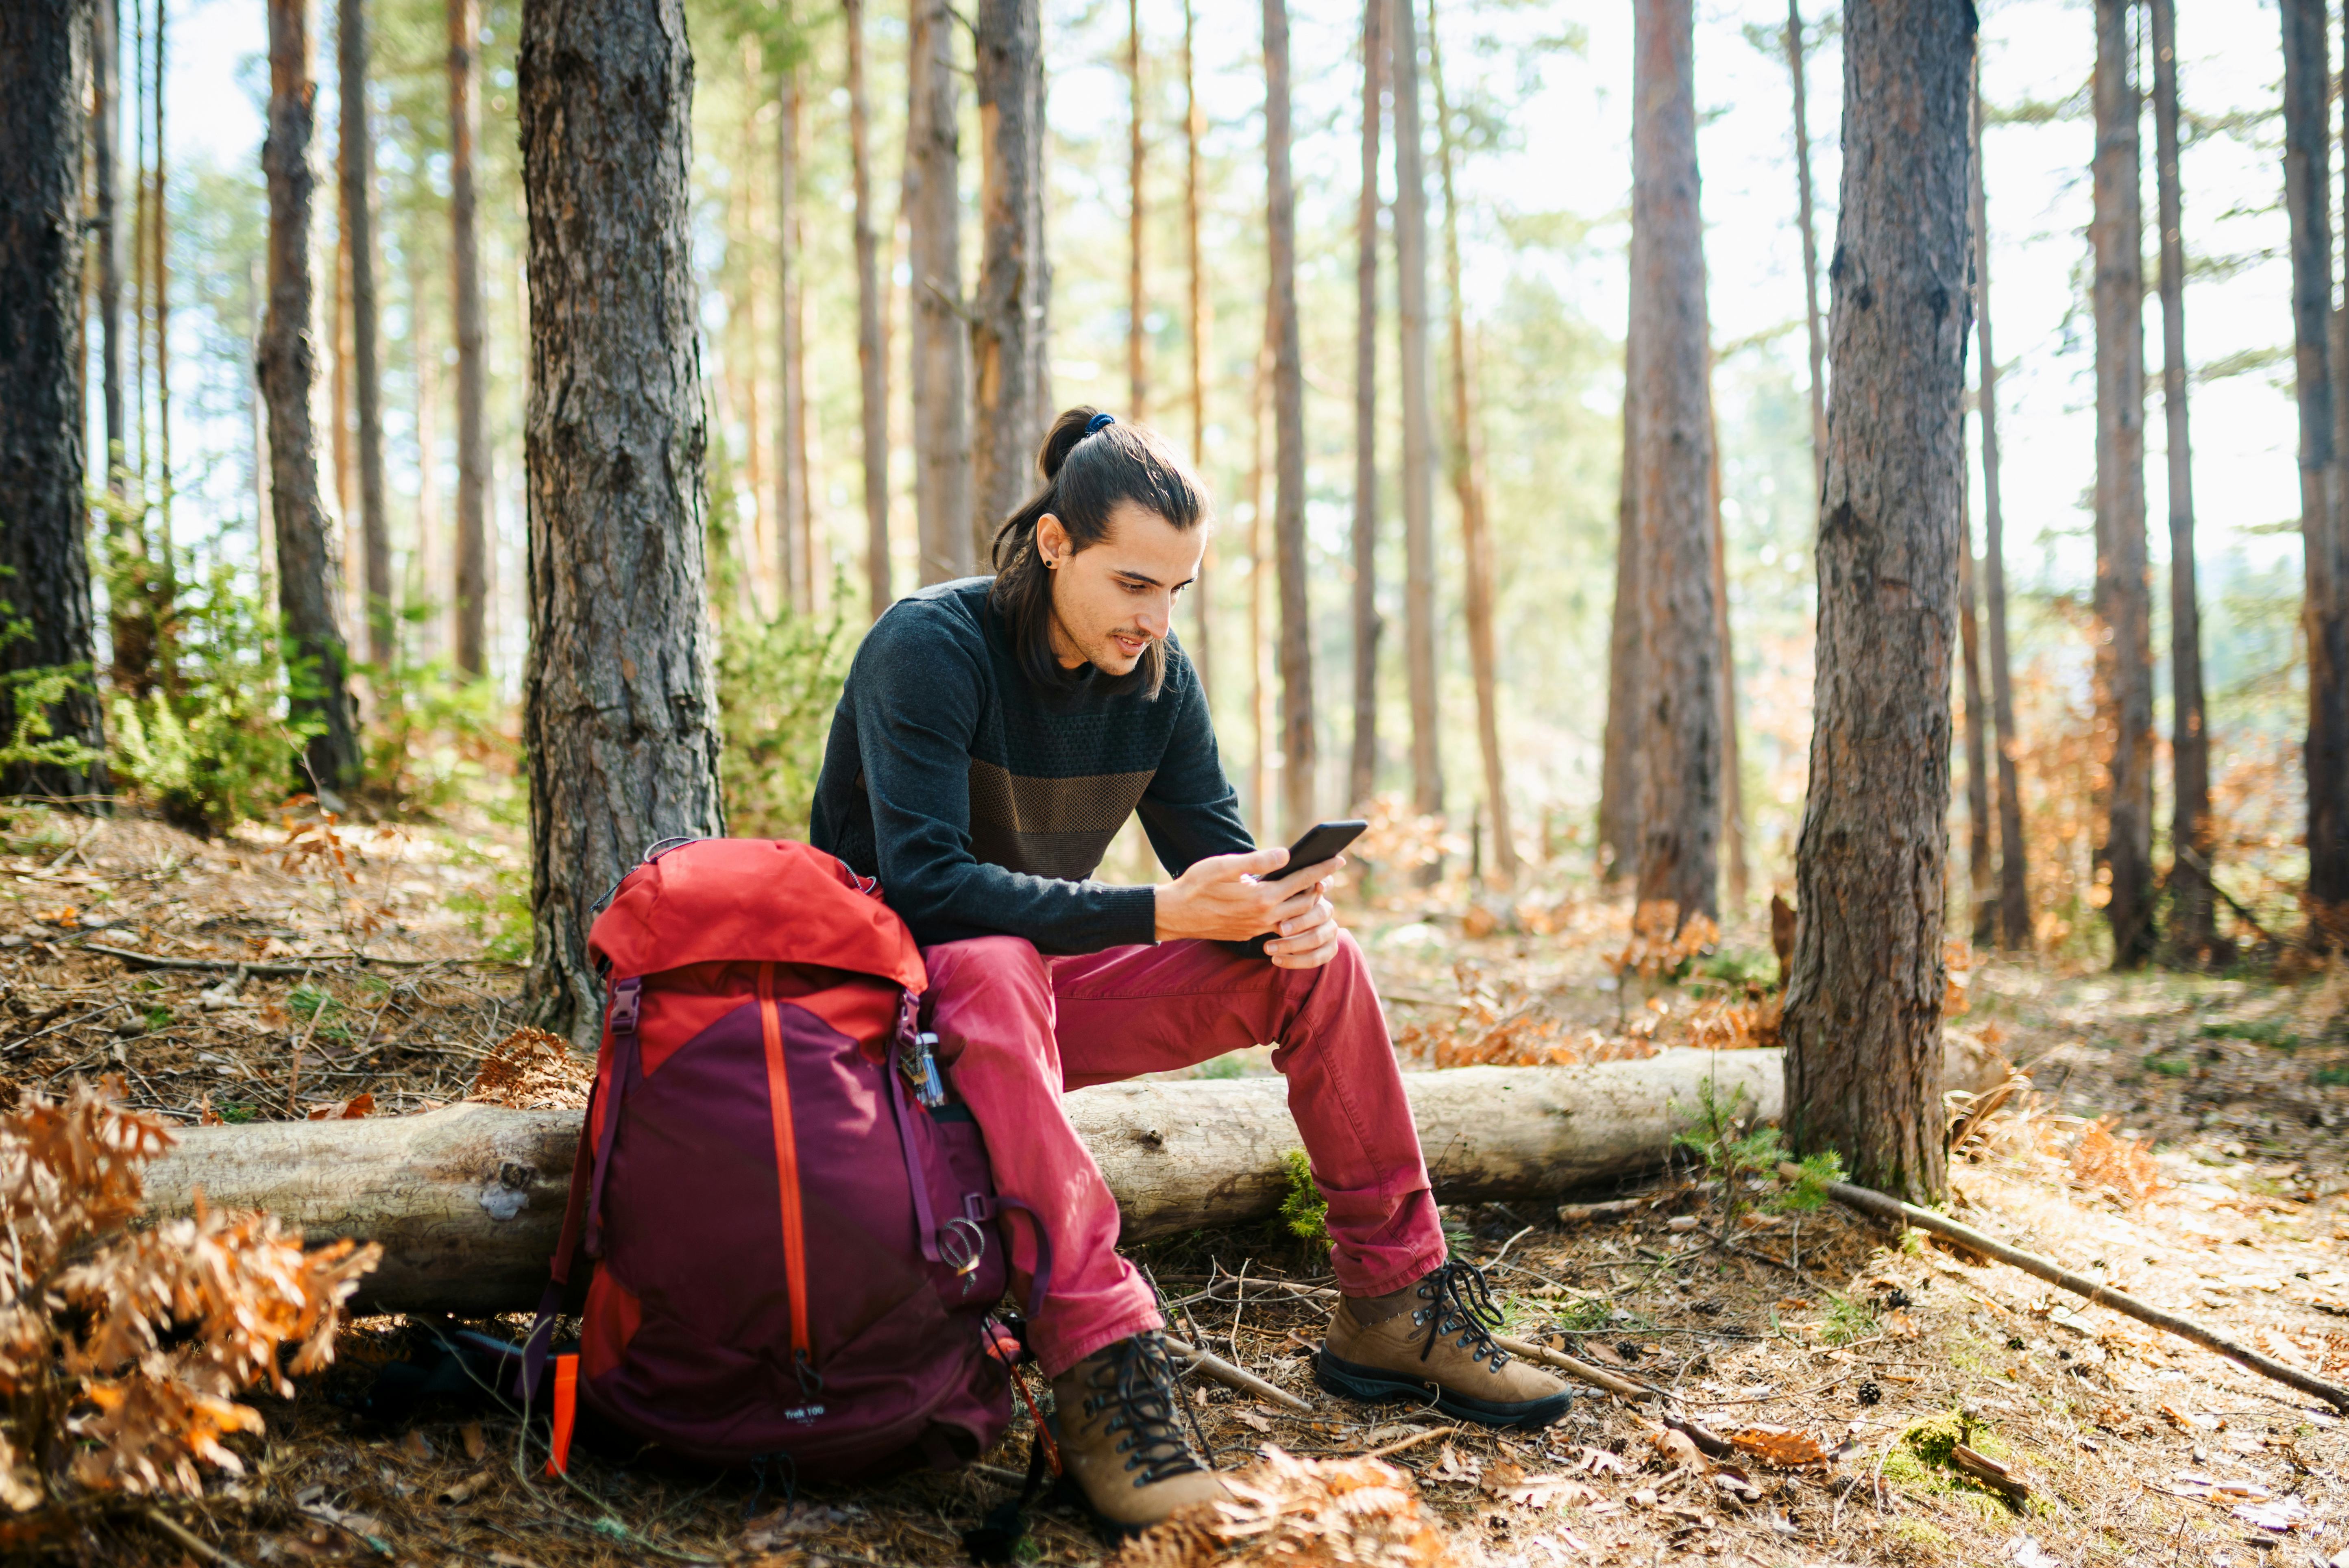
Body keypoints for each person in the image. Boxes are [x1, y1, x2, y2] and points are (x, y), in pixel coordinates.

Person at [809, 407, 1568, 1534]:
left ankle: (1395, 1304)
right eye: (1132, 584)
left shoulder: (1157, 679)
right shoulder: (933, 645)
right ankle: (1098, 1361)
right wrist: (1162, 911)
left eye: (1177, 591)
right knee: (994, 962)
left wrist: (1282, 912)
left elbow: (1213, 859)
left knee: (1323, 966)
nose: (1154, 620)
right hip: (888, 1022)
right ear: (1056, 544)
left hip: (1024, 1002)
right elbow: (923, 888)